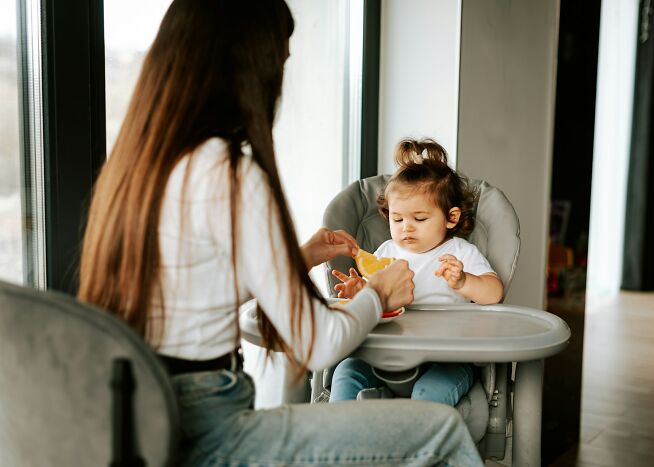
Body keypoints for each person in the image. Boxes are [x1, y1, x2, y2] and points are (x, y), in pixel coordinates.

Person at [77, 1, 484, 465]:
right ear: (250, 69)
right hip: (209, 424)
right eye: (281, 64)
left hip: (141, 413)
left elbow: (190, 293)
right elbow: (318, 343)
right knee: (443, 430)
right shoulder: (229, 172)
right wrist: (378, 293)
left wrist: (291, 259)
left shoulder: (138, 164)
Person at [329, 138, 504, 405]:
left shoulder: (459, 253)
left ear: (451, 218)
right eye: (397, 219)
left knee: (430, 395)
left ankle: (414, 438)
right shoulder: (386, 252)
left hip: (446, 357)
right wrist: (359, 292)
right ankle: (341, 435)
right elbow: (371, 300)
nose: (406, 228)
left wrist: (464, 281)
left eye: (419, 219)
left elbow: (494, 293)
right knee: (346, 371)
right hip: (385, 354)